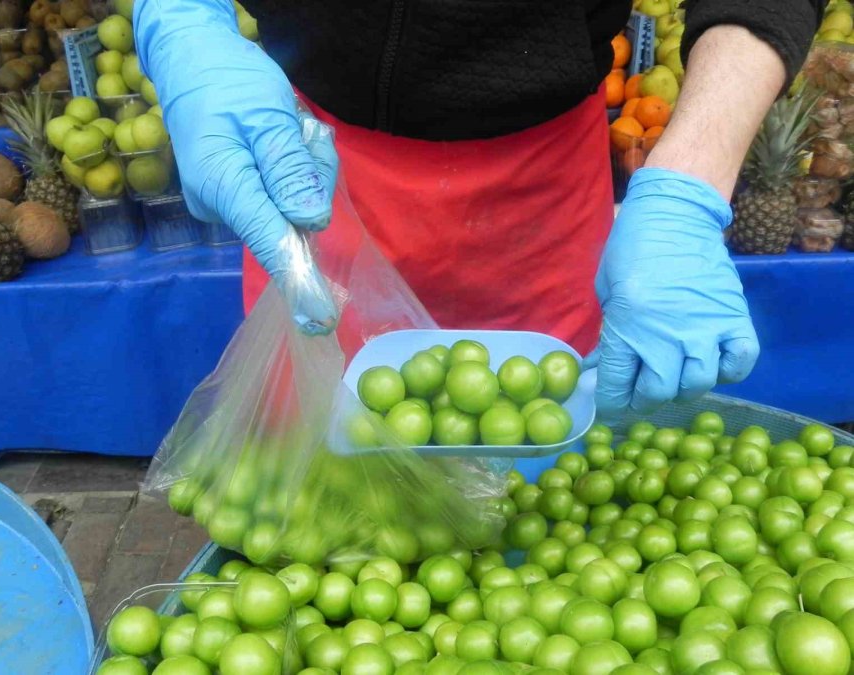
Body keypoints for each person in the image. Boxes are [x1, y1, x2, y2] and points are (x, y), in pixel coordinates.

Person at [134, 0, 823, 422]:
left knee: (534, 470)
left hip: (539, 185)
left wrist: (690, 184)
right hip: (313, 163)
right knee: (320, 461)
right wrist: (181, 18)